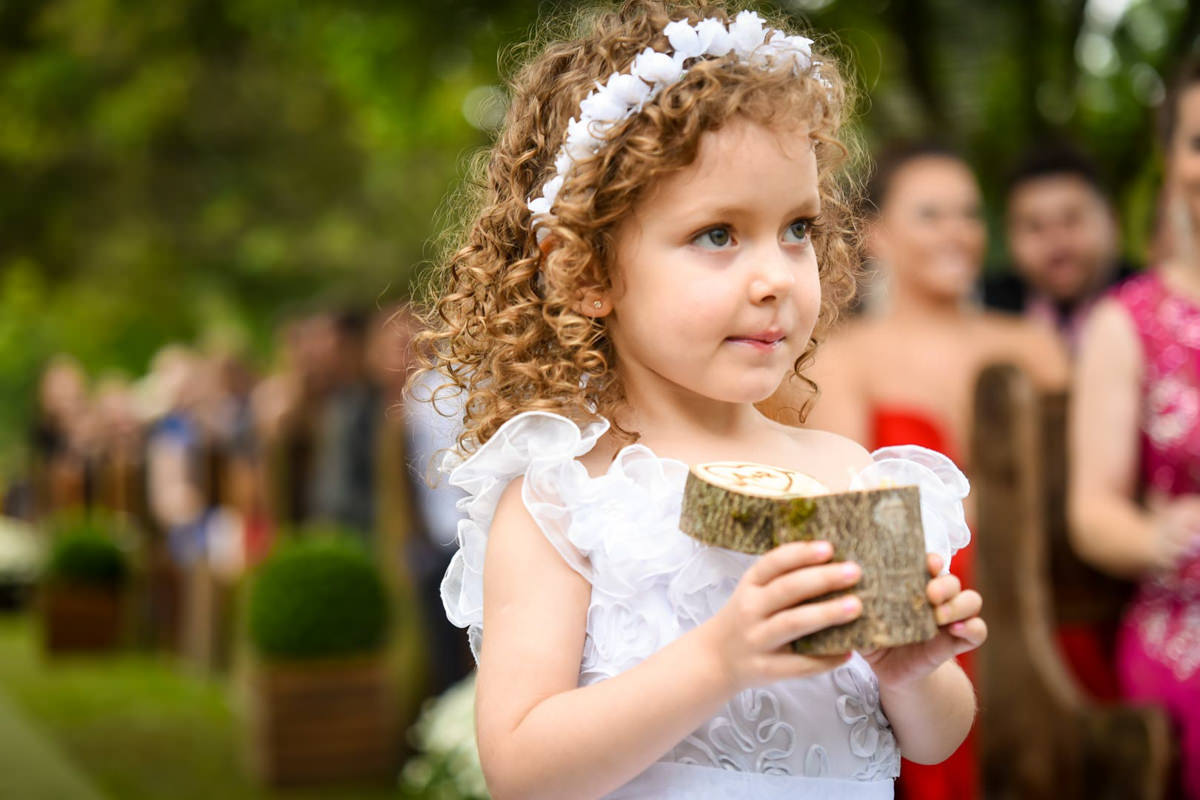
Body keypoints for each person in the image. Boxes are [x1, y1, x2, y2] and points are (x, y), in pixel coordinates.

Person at [417, 4, 986, 797]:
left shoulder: (849, 474)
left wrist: (912, 671)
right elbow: (521, 767)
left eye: (797, 229)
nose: (776, 278)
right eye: (719, 234)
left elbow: (934, 740)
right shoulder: (567, 501)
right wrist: (717, 661)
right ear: (585, 271)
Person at [761, 143, 1067, 800]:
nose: (956, 232)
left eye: (968, 214)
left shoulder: (1034, 348)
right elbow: (854, 519)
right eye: (931, 214)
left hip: (1044, 608)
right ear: (878, 234)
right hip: (921, 620)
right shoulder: (844, 360)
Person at [1069, 58, 1200, 799]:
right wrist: (1163, 539)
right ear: (1171, 159)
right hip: (1187, 623)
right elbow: (1094, 514)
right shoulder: (1131, 324)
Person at [986, 143, 1135, 352]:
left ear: (1112, 222)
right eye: (1035, 227)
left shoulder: (1156, 306)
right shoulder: (984, 310)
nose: (1056, 243)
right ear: (1010, 237)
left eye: (1071, 220)